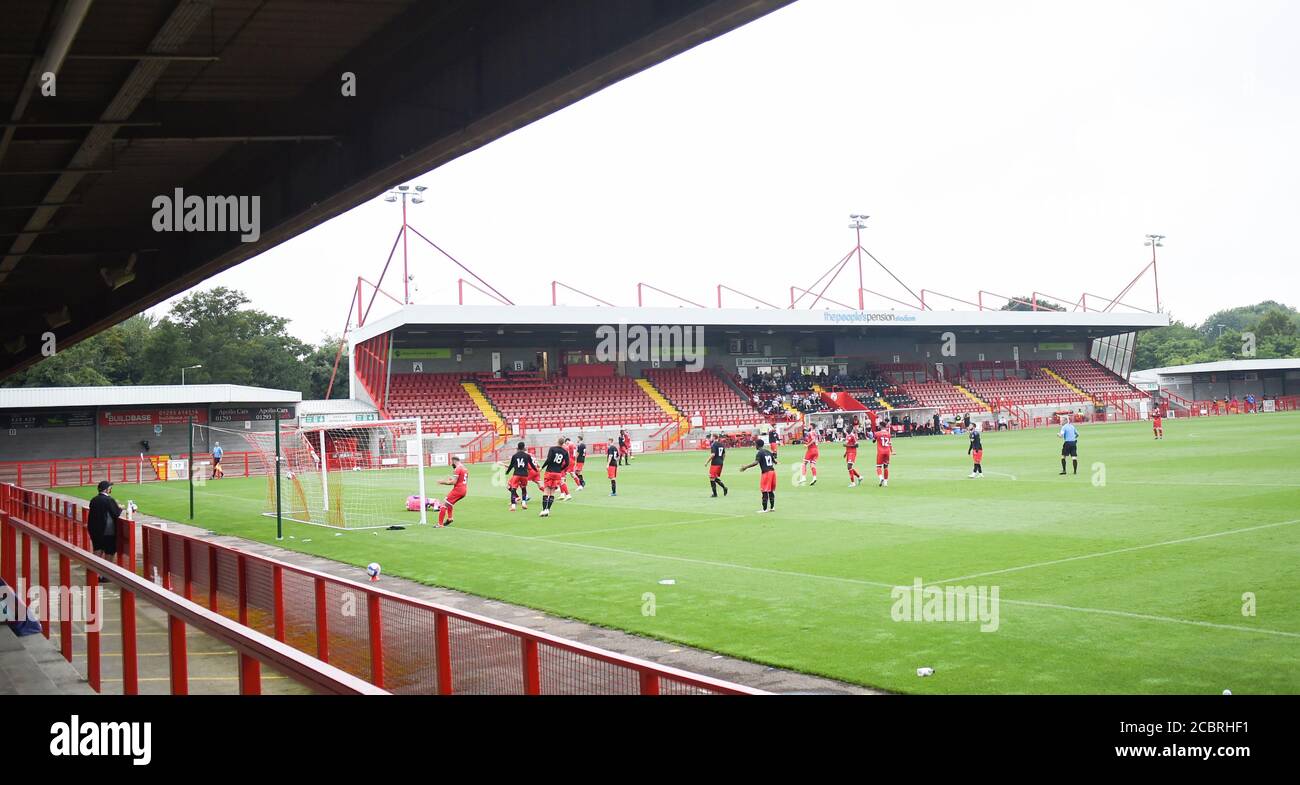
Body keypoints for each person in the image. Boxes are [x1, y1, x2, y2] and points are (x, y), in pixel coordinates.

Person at [86, 481, 122, 575]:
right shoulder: (109, 500)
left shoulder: (94, 499)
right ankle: (106, 575)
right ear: (106, 489)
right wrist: (120, 507)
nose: (111, 489)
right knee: (109, 552)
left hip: (94, 530)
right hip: (107, 531)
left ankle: (94, 573)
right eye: (110, 488)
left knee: (97, 550)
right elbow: (116, 513)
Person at [739, 438, 778, 513]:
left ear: (757, 445)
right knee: (770, 491)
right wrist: (775, 462)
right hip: (772, 472)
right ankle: (772, 507)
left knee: (764, 491)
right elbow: (774, 461)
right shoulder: (768, 452)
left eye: (755, 444)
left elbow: (756, 462)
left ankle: (764, 509)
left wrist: (746, 467)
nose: (755, 446)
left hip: (766, 473)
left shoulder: (759, 453)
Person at [539, 437, 571, 517]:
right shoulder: (565, 452)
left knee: (546, 491)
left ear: (557, 442)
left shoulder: (552, 449)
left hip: (549, 472)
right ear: (563, 443)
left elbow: (549, 459)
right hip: (557, 473)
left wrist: (542, 467)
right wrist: (560, 469)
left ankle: (544, 510)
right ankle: (548, 510)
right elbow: (567, 463)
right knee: (552, 492)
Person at [503, 442, 537, 511]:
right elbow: (531, 464)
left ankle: (513, 506)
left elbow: (511, 465)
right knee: (523, 489)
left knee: (513, 489)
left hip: (516, 474)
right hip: (524, 475)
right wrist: (536, 470)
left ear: (518, 447)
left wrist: (507, 472)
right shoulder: (527, 456)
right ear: (524, 447)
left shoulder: (515, 455)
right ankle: (524, 503)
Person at [434, 456, 467, 527]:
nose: (452, 464)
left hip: (458, 490)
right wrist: (451, 480)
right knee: (449, 503)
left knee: (444, 505)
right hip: (464, 490)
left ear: (454, 461)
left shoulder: (457, 469)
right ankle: (450, 518)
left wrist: (442, 482)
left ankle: (440, 524)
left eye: (452, 462)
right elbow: (460, 480)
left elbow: (454, 482)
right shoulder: (464, 468)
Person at [706, 433, 729, 497]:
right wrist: (721, 461)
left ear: (714, 437)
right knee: (714, 477)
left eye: (711, 436)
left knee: (711, 477)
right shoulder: (721, 444)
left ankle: (715, 494)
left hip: (715, 463)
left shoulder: (713, 444)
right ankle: (724, 488)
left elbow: (713, 454)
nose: (710, 438)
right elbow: (724, 454)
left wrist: (707, 462)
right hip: (720, 463)